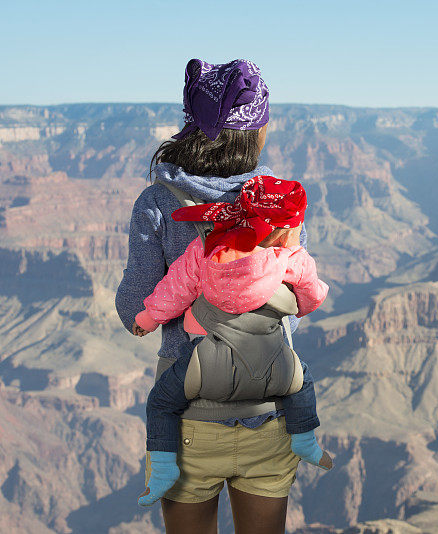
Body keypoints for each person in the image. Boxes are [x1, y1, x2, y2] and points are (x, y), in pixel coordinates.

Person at [116, 58, 317, 534]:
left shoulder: (159, 202)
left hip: (189, 422)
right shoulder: (282, 205)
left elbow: (134, 310)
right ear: (256, 132)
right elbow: (292, 309)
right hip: (266, 412)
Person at [134, 175, 333, 508]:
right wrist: (303, 301)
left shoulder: (206, 249)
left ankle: (165, 468)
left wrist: (147, 318)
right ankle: (304, 440)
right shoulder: (290, 258)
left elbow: (176, 290)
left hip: (204, 362)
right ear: (285, 230)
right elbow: (311, 297)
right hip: (273, 366)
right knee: (303, 384)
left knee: (161, 403)